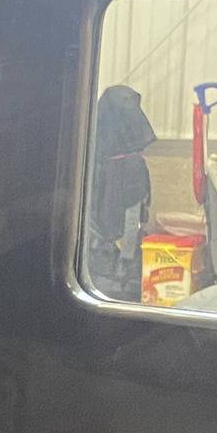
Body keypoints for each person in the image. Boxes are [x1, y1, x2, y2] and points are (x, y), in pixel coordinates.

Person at [86, 83, 156, 301]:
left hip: (99, 268)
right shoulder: (133, 163)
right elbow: (133, 217)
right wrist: (126, 258)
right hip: (118, 272)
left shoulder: (92, 156)